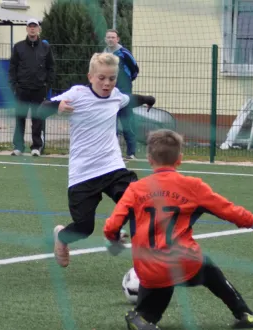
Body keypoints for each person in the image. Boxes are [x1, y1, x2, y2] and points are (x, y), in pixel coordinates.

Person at [103, 129, 253, 330]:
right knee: (207, 266)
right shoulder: (193, 187)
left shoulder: (134, 189)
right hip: (184, 263)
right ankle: (244, 313)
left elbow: (111, 226)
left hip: (149, 268)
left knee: (154, 292)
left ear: (149, 159)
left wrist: (115, 238)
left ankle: (142, 318)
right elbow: (230, 211)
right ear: (179, 159)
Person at [37, 52, 155, 268]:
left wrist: (147, 99)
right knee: (84, 228)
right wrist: (58, 107)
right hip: (83, 174)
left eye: (111, 78)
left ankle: (141, 262)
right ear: (90, 76)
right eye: (101, 78)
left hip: (113, 167)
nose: (107, 83)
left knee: (136, 202)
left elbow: (130, 100)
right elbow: (41, 110)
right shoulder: (77, 94)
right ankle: (62, 237)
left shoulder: (116, 96)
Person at [8, 18, 55, 157]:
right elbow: (13, 68)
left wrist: (47, 85)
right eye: (30, 26)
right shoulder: (18, 47)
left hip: (39, 89)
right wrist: (14, 85)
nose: (32, 29)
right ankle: (18, 147)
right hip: (22, 89)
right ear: (27, 28)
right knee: (20, 118)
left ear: (39, 29)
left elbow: (51, 67)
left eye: (35, 26)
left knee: (37, 119)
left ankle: (36, 147)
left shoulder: (46, 48)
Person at [104, 29, 139, 160]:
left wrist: (126, 82)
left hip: (124, 93)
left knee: (127, 122)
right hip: (108, 94)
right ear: (105, 39)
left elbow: (135, 69)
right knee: (110, 124)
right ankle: (112, 153)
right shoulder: (103, 54)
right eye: (108, 37)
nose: (110, 39)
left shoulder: (124, 53)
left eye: (113, 37)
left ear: (117, 39)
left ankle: (131, 153)